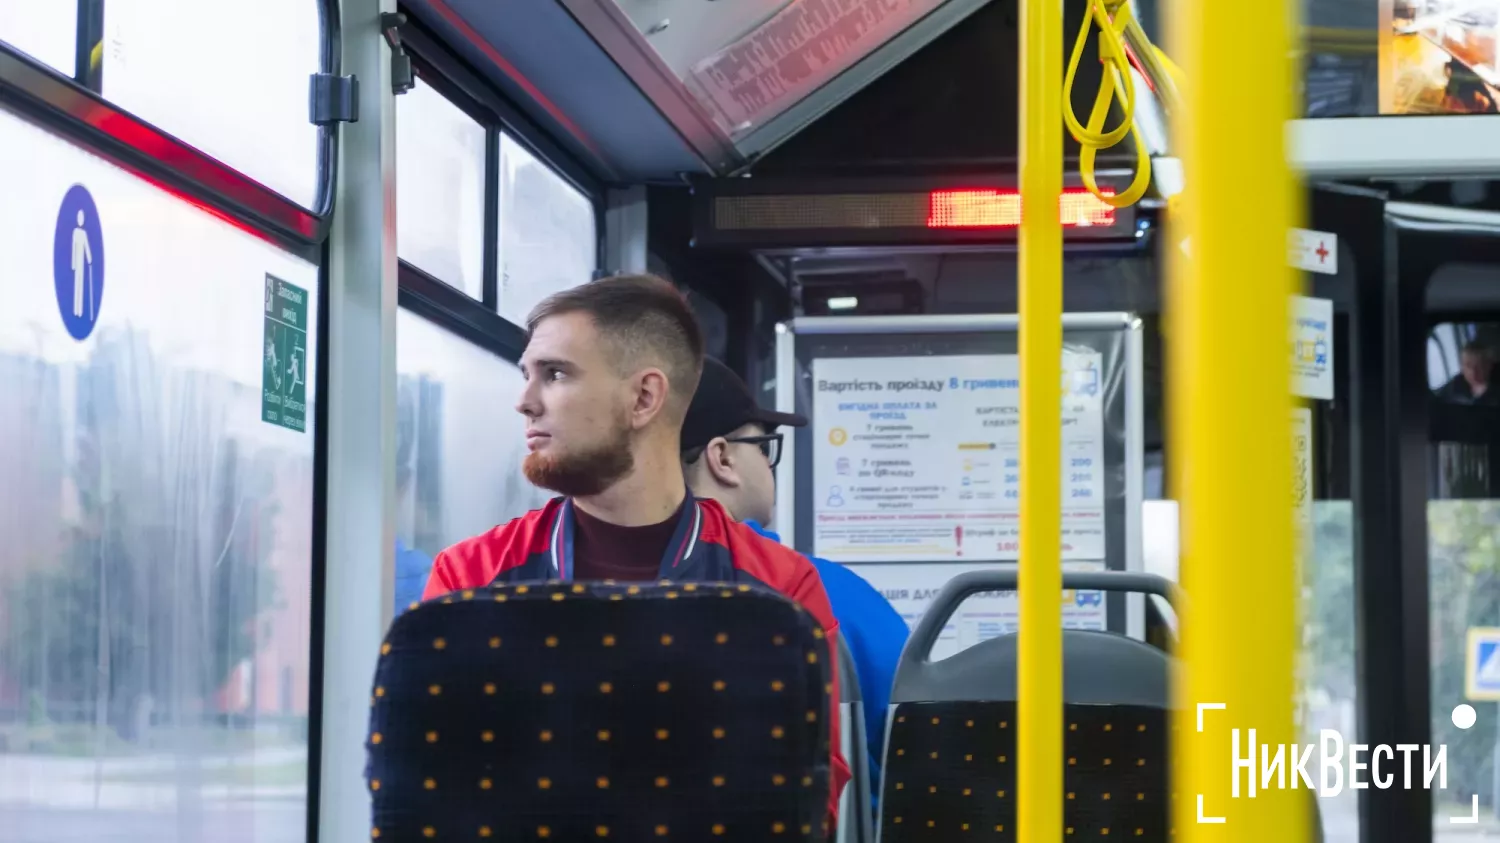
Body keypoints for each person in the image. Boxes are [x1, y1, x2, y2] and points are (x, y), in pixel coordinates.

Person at [420, 274, 850, 825]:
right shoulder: (470, 578)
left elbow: (805, 807)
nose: (524, 402)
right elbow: (439, 789)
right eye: (526, 375)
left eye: (554, 374)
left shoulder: (780, 591)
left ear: (644, 397)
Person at [680, 356, 910, 812]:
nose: (768, 463)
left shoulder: (583, 593)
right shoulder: (833, 594)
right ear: (722, 458)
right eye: (762, 447)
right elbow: (917, 754)